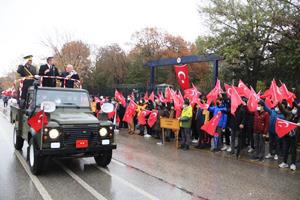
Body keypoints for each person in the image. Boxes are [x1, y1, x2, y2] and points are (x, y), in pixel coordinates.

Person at [278, 103, 299, 170]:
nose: (294, 109)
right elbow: (282, 109)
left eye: (296, 108)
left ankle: (293, 164)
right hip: (287, 135)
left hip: (294, 136)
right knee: (285, 149)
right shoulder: (289, 114)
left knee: (293, 150)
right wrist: (278, 103)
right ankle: (284, 162)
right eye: (294, 108)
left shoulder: (298, 117)